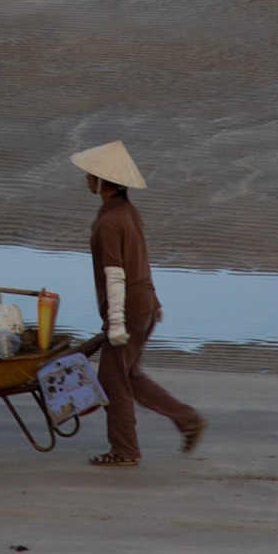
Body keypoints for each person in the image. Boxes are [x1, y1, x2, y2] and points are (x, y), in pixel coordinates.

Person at [70, 140, 205, 466]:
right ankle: (187, 419)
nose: (86, 179)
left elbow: (116, 275)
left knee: (112, 381)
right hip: (143, 306)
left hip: (129, 311)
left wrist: (115, 324)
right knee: (128, 375)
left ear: (103, 181)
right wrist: (153, 302)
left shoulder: (109, 222)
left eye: (90, 175)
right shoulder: (127, 212)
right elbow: (141, 260)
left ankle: (125, 450)